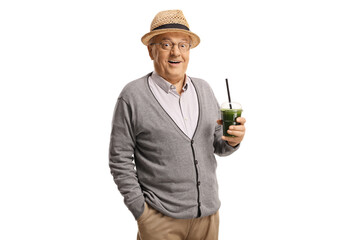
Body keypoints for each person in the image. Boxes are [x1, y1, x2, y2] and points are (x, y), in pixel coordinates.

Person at [109, 10, 246, 240]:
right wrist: (142, 213)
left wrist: (232, 140)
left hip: (208, 218)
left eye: (183, 45)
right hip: (160, 220)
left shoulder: (204, 89)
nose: (176, 53)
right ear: (150, 50)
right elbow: (119, 158)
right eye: (166, 44)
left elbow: (216, 144)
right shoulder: (132, 96)